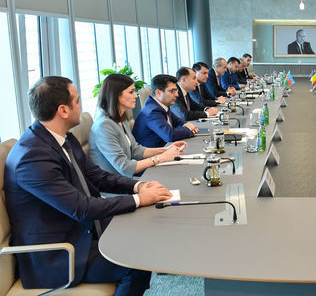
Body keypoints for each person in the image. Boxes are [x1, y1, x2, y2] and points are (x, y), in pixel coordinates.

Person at [4, 76, 172, 294]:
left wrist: (137, 187)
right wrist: (139, 199)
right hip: (58, 254)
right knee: (136, 262)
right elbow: (81, 208)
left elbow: (96, 176)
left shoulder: (62, 138)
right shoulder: (32, 157)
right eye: (77, 100)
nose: (81, 106)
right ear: (63, 110)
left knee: (144, 228)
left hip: (81, 230)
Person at [89, 74, 186, 178]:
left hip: (126, 180)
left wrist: (166, 150)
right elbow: (125, 167)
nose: (136, 96)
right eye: (131, 92)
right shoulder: (104, 126)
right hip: (115, 184)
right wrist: (161, 158)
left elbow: (135, 150)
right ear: (116, 95)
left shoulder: (121, 119)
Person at [132, 74, 199, 148]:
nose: (177, 95)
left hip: (165, 148)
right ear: (158, 93)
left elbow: (178, 122)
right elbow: (170, 136)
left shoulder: (162, 105)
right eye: (172, 91)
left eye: (176, 91)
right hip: (154, 153)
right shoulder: (152, 111)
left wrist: (185, 125)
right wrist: (188, 128)